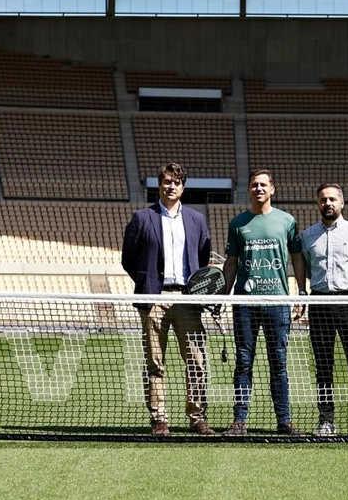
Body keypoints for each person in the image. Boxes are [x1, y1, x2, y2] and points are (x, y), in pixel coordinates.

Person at [121, 162, 215, 436]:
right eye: (166, 181)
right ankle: (159, 419)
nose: (171, 186)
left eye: (176, 182)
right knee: (155, 361)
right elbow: (129, 258)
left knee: (196, 360)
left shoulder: (197, 219)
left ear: (183, 187)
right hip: (153, 297)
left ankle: (197, 417)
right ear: (159, 184)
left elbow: (203, 255)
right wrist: (148, 281)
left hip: (187, 298)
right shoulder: (142, 218)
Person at [221, 169, 308, 436]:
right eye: (254, 185)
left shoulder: (287, 221)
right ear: (249, 190)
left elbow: (296, 258)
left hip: (278, 302)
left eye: (263, 185)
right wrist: (222, 295)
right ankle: (239, 421)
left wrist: (301, 292)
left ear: (272, 189)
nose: (258, 188)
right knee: (243, 362)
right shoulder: (238, 223)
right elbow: (232, 262)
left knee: (278, 362)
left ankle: (284, 421)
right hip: (245, 304)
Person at [301, 184, 348, 437]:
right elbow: (310, 270)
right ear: (318, 204)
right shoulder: (308, 236)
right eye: (323, 200)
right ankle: (326, 421)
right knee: (323, 367)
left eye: (333, 199)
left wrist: (347, 292)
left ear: (342, 203)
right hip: (319, 304)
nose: (328, 203)